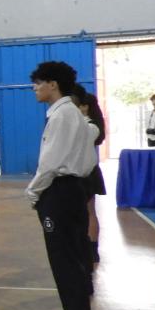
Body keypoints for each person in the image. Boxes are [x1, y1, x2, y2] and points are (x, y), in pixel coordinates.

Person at [28, 62, 98, 310]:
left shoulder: (62, 116)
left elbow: (50, 163)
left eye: (38, 83)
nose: (34, 88)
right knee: (72, 255)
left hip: (59, 191)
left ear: (53, 84)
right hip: (72, 189)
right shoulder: (75, 115)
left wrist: (34, 192)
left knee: (64, 258)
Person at [69, 84, 107, 267]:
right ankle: (83, 247)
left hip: (87, 171)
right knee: (81, 212)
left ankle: (92, 248)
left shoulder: (90, 125)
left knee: (90, 211)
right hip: (78, 169)